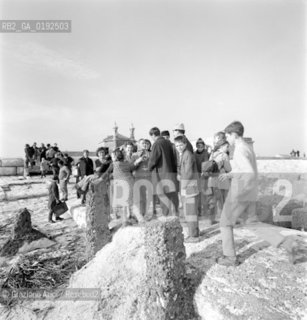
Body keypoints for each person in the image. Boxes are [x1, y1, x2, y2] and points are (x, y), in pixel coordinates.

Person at [217, 121, 299, 266]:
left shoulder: (239, 149)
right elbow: (247, 169)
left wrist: (238, 193)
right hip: (250, 190)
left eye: (228, 136)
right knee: (253, 223)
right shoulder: (247, 147)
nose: (227, 140)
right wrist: (230, 175)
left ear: (234, 135)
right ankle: (289, 244)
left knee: (225, 222)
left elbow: (247, 171)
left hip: (240, 191)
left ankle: (229, 257)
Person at [103, 148, 143, 226]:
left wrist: (99, 179)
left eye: (112, 156)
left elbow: (107, 172)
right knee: (129, 203)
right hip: (130, 183)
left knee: (126, 204)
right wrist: (138, 161)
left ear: (116, 157)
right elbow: (133, 167)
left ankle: (139, 219)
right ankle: (127, 220)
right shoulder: (126, 163)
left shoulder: (114, 164)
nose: (111, 158)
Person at [148, 127, 178, 216]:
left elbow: (153, 160)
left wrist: (149, 167)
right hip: (170, 173)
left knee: (162, 196)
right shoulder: (168, 143)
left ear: (153, 135)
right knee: (170, 195)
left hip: (160, 174)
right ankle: (174, 214)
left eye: (151, 136)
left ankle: (166, 216)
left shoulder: (157, 144)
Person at [174, 135, 199, 242]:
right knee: (191, 211)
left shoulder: (187, 154)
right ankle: (195, 232)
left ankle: (193, 236)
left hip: (189, 186)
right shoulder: (184, 154)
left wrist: (182, 186)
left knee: (190, 212)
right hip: (188, 185)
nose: (179, 147)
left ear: (185, 144)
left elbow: (188, 173)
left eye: (181, 145)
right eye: (177, 145)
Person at [206, 136, 231, 223]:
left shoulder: (213, 154)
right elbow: (229, 169)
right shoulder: (224, 155)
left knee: (212, 200)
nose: (228, 148)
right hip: (221, 181)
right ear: (222, 146)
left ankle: (211, 219)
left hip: (211, 180)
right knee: (222, 200)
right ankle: (223, 219)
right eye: (227, 146)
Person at [131, 139, 152, 218]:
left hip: (149, 177)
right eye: (143, 143)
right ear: (139, 145)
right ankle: (140, 214)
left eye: (147, 143)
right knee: (139, 197)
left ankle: (145, 213)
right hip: (138, 178)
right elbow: (131, 167)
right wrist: (138, 161)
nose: (145, 145)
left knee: (148, 197)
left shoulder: (152, 154)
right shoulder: (134, 155)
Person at [194, 138, 210, 217]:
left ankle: (206, 210)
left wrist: (204, 172)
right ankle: (199, 210)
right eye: (198, 145)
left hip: (204, 176)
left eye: (201, 145)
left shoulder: (206, 153)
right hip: (197, 176)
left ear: (203, 146)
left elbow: (206, 164)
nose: (200, 147)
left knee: (204, 194)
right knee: (198, 194)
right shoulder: (194, 154)